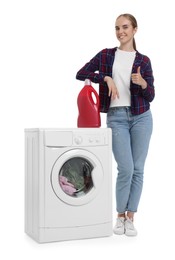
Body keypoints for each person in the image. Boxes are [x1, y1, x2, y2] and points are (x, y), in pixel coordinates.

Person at [76, 13, 155, 236]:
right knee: (126, 168)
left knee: (138, 170)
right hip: (116, 117)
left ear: (135, 30)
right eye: (117, 28)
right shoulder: (106, 55)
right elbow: (81, 73)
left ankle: (131, 217)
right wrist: (105, 78)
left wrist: (142, 83)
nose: (121, 31)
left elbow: (151, 96)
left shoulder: (144, 61)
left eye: (125, 27)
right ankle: (119, 216)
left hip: (142, 117)